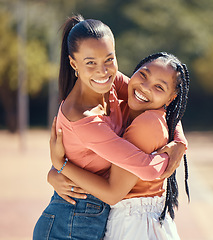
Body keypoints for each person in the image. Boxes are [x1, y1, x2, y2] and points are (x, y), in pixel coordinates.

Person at [33, 15, 187, 240]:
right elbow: (149, 169)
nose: (102, 70)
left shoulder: (110, 83)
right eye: (90, 63)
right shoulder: (83, 118)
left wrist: (180, 141)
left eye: (109, 59)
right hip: (68, 224)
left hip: (94, 219)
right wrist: (60, 165)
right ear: (74, 64)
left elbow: (156, 100)